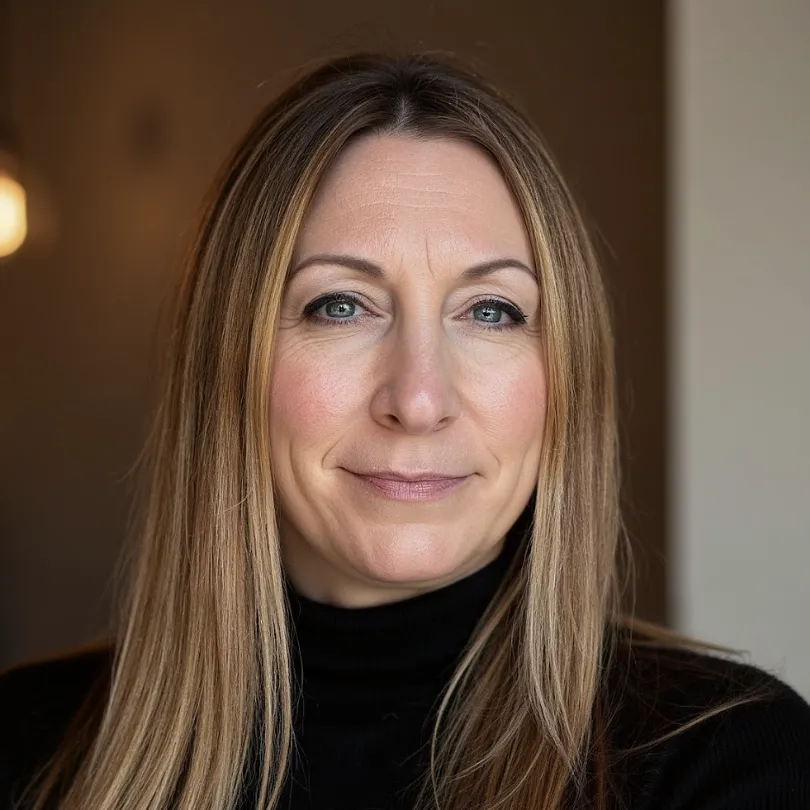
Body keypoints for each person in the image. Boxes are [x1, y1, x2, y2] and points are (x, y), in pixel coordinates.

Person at [1, 51, 809, 810]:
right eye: (340, 306)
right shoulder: (24, 749)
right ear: (230, 361)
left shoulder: (729, 760)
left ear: (568, 376)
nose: (419, 399)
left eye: (490, 311)